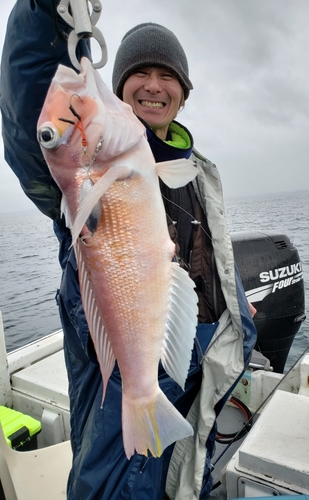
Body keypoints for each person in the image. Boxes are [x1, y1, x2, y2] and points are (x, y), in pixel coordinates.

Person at [0, 1, 257, 499]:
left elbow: (203, 256)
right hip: (119, 384)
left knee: (179, 477)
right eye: (139, 73)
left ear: (183, 93)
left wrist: (236, 304)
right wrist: (42, 12)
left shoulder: (195, 172)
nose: (153, 85)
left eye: (167, 75)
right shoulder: (83, 173)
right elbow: (29, 110)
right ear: (118, 88)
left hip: (190, 378)